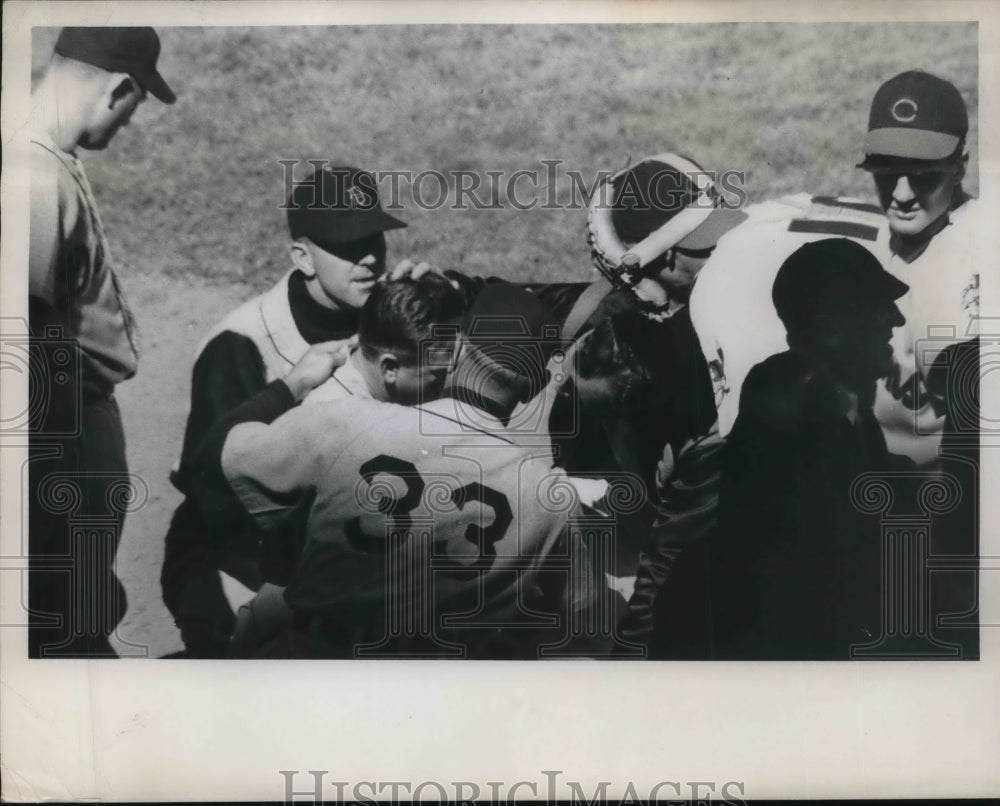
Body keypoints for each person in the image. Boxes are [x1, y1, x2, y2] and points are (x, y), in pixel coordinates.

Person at [189, 284, 606, 659]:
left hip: (315, 670)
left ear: (455, 350)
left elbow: (209, 460)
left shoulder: (347, 423)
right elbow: (584, 627)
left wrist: (291, 386)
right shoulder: (554, 500)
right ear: (531, 388)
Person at [160, 165, 444, 657]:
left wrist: (441, 298)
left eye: (374, 238)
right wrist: (289, 391)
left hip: (329, 549)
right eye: (348, 246)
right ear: (303, 257)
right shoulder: (240, 345)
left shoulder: (384, 312)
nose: (370, 258)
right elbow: (208, 485)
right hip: (238, 560)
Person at [28, 27, 176, 657]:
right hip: (64, 429)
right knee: (69, 610)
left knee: (75, 602)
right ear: (119, 88)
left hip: (68, 424)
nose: (128, 123)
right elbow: (25, 340)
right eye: (136, 104)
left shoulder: (46, 158)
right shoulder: (34, 179)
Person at [229, 274, 465, 654]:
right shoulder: (330, 420)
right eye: (436, 374)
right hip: (302, 601)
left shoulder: (385, 385)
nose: (445, 382)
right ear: (389, 368)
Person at [706, 239, 908, 659]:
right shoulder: (790, 406)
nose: (896, 320)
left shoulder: (841, 400)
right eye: (878, 308)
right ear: (831, 329)